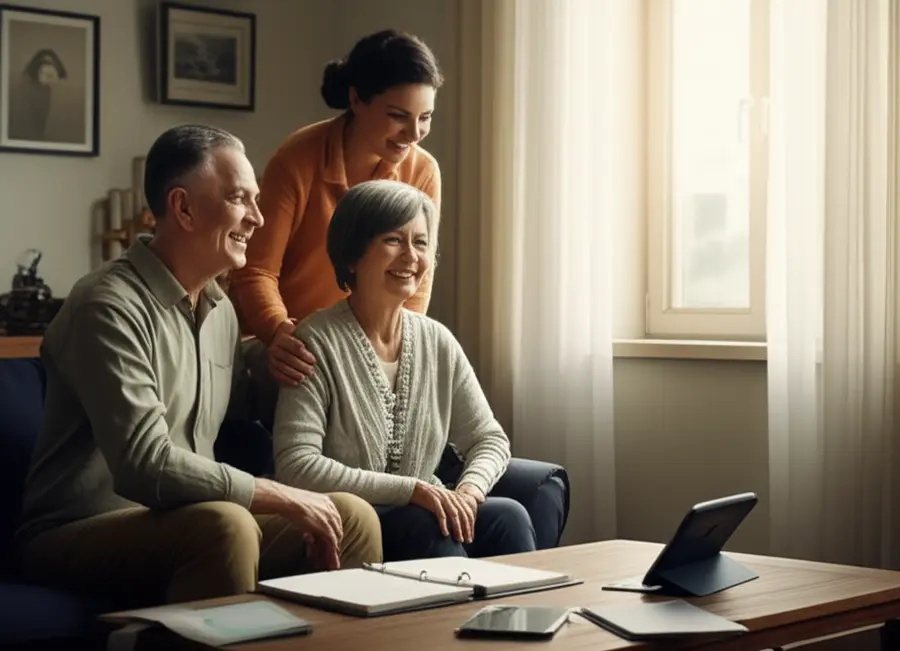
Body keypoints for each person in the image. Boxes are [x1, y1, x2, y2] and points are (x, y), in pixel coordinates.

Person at [14, 125, 382, 605]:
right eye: (238, 199)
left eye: (255, 200)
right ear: (182, 208)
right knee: (227, 525)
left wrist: (306, 354)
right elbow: (146, 465)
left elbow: (244, 400)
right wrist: (279, 494)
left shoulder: (219, 308)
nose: (257, 218)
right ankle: (152, 636)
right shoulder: (106, 307)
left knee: (351, 516)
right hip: (78, 529)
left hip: (187, 517)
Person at [272, 180, 537, 562]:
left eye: (421, 242)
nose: (411, 256)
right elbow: (297, 466)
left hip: (426, 507)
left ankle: (523, 606)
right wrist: (411, 490)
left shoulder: (437, 340)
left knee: (509, 516)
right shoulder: (314, 341)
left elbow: (489, 439)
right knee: (428, 525)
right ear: (352, 255)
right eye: (393, 240)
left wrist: (469, 492)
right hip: (355, 518)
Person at [227, 29, 444, 424]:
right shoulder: (298, 159)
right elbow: (256, 271)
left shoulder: (423, 170)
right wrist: (279, 333)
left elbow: (417, 275)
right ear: (356, 99)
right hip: (289, 342)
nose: (414, 135)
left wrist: (401, 350)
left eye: (425, 118)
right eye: (399, 116)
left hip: (368, 347)